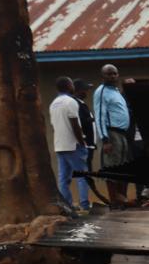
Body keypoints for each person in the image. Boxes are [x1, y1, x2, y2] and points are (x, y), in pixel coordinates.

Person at [93, 64, 132, 208]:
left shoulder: (116, 91)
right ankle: (115, 202)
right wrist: (105, 139)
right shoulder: (101, 92)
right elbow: (100, 116)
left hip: (122, 134)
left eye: (115, 73)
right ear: (102, 76)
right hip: (111, 134)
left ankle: (123, 200)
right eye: (109, 74)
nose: (113, 76)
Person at [49, 76, 89, 212]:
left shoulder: (54, 103)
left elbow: (54, 126)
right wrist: (82, 142)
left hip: (59, 145)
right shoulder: (70, 102)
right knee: (82, 176)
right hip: (73, 145)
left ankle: (67, 206)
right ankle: (84, 205)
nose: (73, 86)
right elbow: (75, 124)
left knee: (63, 179)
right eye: (72, 84)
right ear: (68, 86)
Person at [73, 78, 96, 171]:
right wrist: (93, 119)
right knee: (85, 169)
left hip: (89, 144)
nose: (87, 92)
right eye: (85, 89)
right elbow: (79, 122)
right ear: (77, 91)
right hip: (85, 144)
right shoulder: (75, 103)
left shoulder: (81, 103)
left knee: (87, 167)